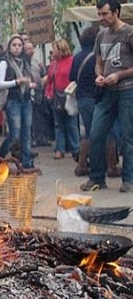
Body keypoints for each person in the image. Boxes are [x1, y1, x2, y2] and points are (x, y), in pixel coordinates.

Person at [81, 0, 133, 193]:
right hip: (106, 93)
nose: (101, 18)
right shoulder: (101, 35)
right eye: (99, 14)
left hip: (127, 90)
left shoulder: (129, 33)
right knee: (95, 134)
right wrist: (99, 75)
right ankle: (97, 178)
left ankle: (129, 179)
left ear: (116, 12)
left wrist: (119, 75)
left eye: (104, 14)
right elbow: (98, 62)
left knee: (128, 137)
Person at [0, 35, 36, 168]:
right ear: (9, 47)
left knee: (26, 132)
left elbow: (28, 79)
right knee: (15, 134)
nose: (17, 48)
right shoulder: (4, 62)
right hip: (13, 101)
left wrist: (30, 85)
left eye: (19, 45)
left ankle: (27, 163)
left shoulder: (25, 61)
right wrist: (16, 82)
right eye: (14, 45)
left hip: (26, 99)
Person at [44, 39, 79, 160]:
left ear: (61, 49)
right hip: (57, 97)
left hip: (69, 96)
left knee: (71, 124)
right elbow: (49, 80)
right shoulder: (54, 64)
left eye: (55, 48)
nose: (52, 51)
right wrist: (48, 92)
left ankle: (76, 148)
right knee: (58, 124)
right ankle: (60, 149)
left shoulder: (71, 61)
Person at [24, 41, 50, 147]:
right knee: (28, 119)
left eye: (32, 48)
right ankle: (30, 139)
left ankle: (40, 138)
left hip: (38, 94)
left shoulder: (35, 62)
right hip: (27, 93)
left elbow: (43, 74)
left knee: (39, 117)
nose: (31, 51)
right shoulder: (22, 63)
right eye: (28, 49)